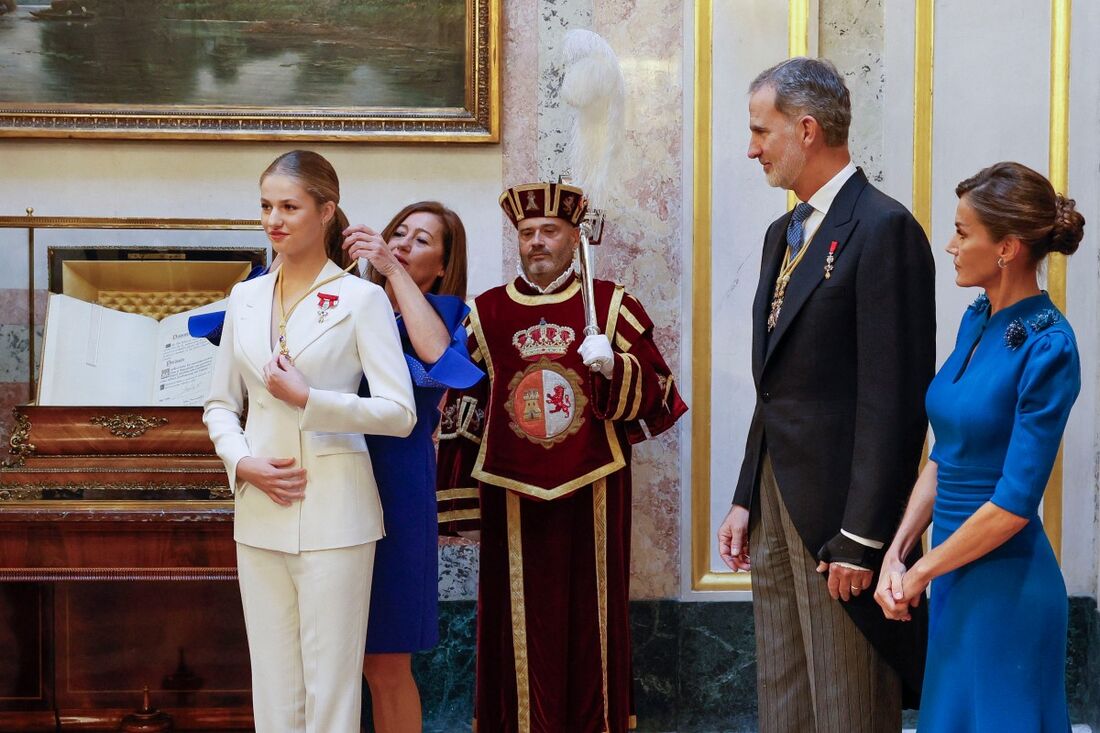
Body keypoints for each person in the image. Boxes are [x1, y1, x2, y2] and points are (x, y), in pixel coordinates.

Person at [716, 57, 936, 732]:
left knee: (846, 703)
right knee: (784, 695)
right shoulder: (780, 234)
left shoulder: (883, 227)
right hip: (778, 496)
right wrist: (744, 493)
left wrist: (865, 537)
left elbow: (894, 401)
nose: (752, 148)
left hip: (843, 514)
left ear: (806, 129)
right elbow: (777, 382)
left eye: (762, 131)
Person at [435, 181, 687, 733]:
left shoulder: (612, 304)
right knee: (513, 627)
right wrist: (456, 498)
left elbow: (663, 396)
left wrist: (614, 369)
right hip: (511, 494)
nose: (537, 242)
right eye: (527, 233)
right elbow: (464, 406)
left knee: (591, 623)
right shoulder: (487, 313)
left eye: (550, 231)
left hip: (592, 488)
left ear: (576, 237)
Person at [203, 150, 416, 733]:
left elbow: (400, 413)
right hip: (259, 512)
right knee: (271, 680)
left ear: (326, 212)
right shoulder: (244, 296)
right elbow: (220, 403)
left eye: (289, 206)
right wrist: (243, 462)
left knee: (330, 684)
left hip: (336, 516)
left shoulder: (360, 299)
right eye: (266, 206)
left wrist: (310, 400)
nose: (274, 219)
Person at [875, 162, 1084, 732]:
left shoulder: (1050, 346)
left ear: (1008, 248)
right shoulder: (976, 318)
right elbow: (947, 454)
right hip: (952, 580)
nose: (950, 245)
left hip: (1009, 593)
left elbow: (1016, 505)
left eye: (963, 232)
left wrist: (918, 575)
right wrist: (900, 552)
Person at [341, 202, 483, 733]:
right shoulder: (350, 300)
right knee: (332, 657)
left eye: (420, 241)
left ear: (444, 265)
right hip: (333, 476)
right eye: (397, 232)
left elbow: (441, 357)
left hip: (397, 490)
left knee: (384, 659)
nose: (401, 243)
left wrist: (393, 271)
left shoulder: (444, 314)